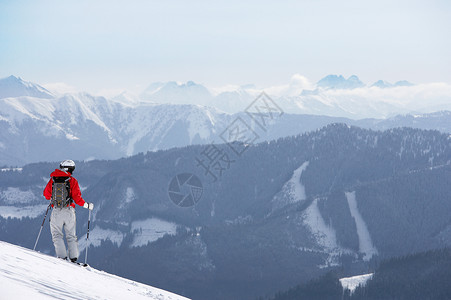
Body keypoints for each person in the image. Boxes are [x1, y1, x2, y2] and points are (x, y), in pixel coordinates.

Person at [43, 159, 94, 263]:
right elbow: (77, 198)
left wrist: (54, 199)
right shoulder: (72, 181)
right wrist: (87, 205)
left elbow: (46, 195)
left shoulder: (52, 180)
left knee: (57, 235)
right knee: (71, 235)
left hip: (56, 211)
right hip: (69, 211)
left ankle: (62, 258)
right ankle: (73, 258)